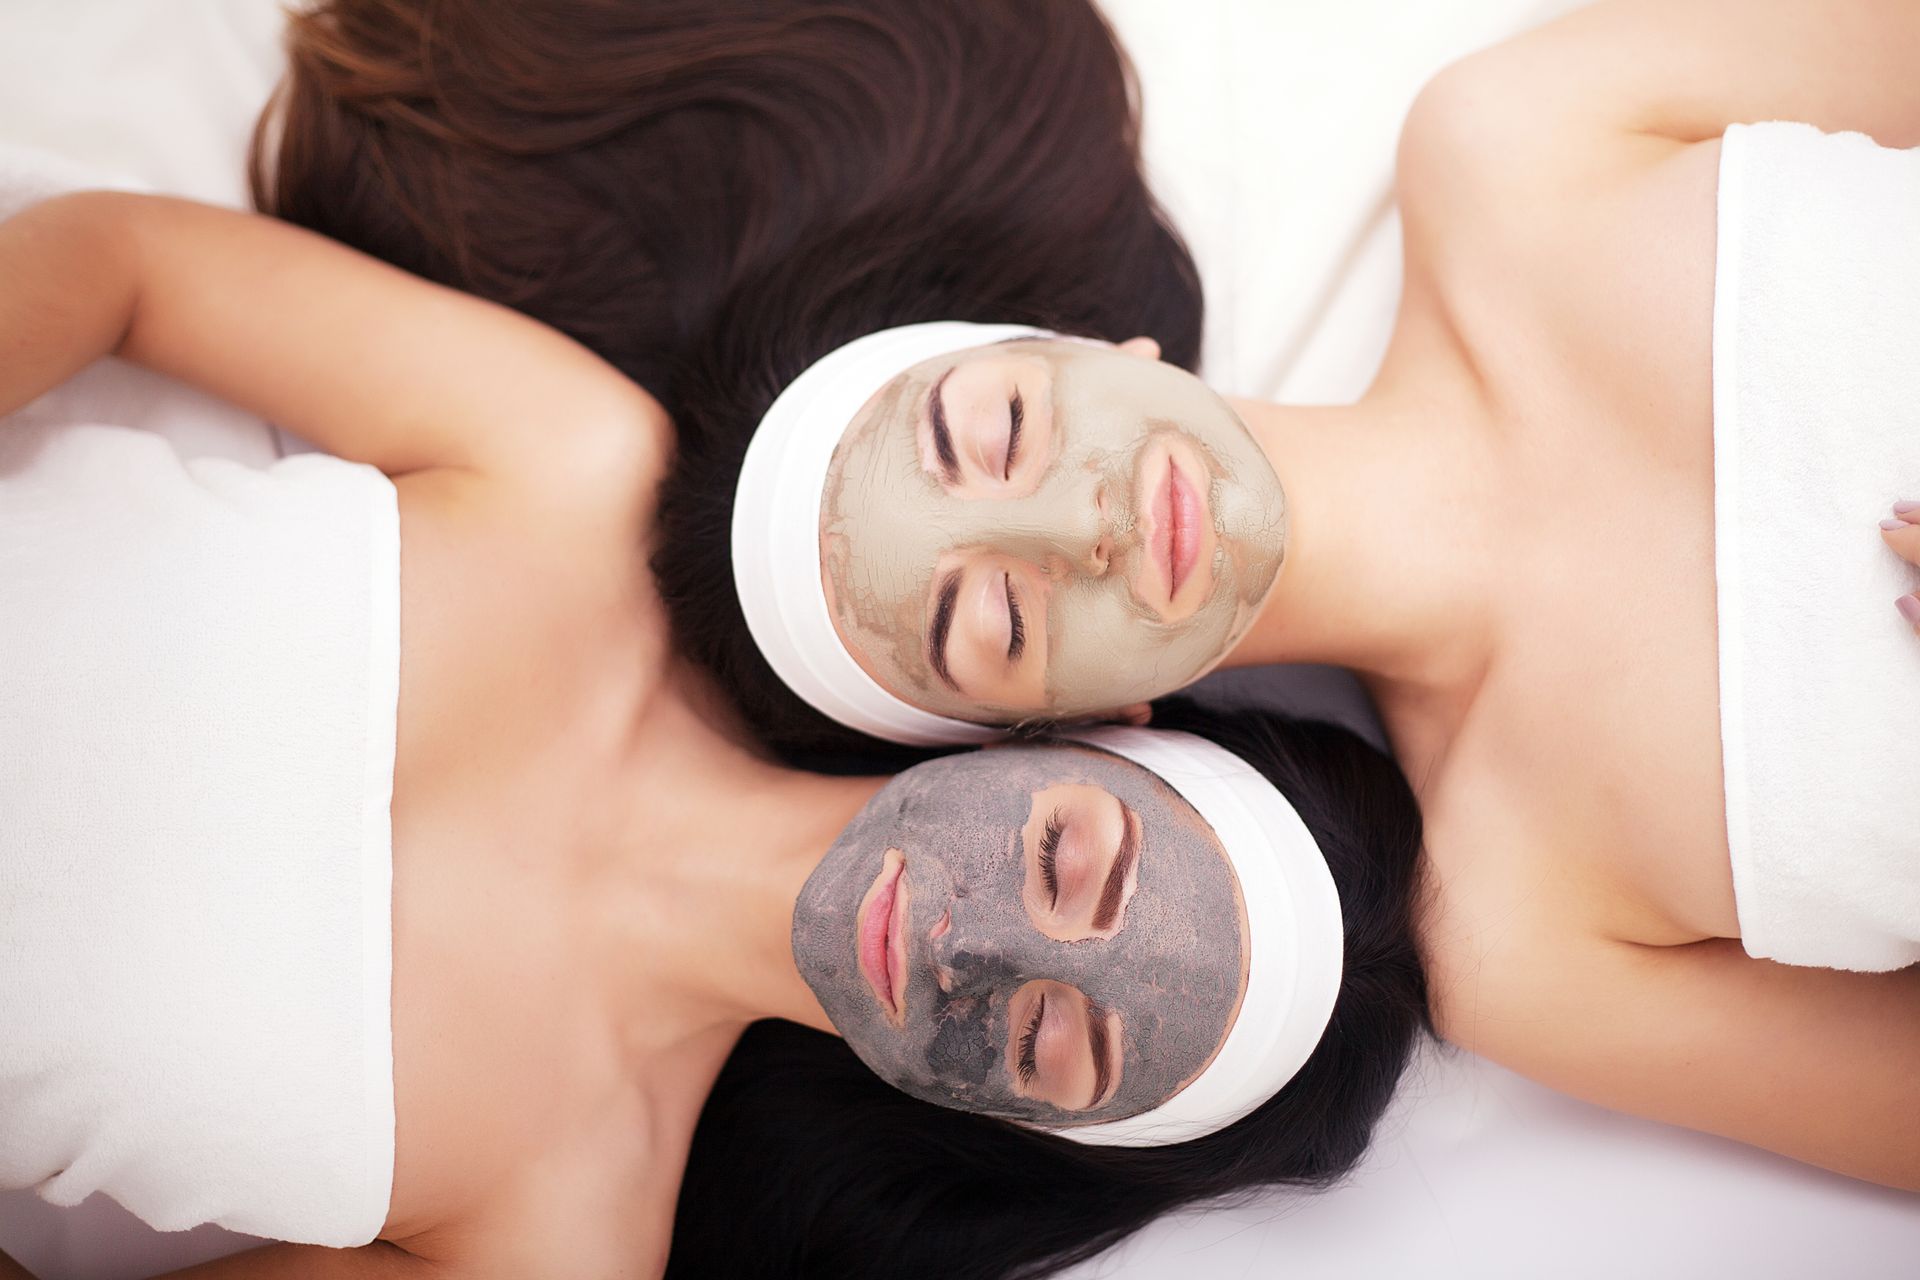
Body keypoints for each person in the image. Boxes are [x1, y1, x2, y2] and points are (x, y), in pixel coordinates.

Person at [0, 185, 1427, 1278]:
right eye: (1064, 856)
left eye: (1054, 1042)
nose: (975, 945)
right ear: (1067, 732)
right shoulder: (572, 474)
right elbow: (122, 264)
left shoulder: (557, 1239)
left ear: (1027, 1126)